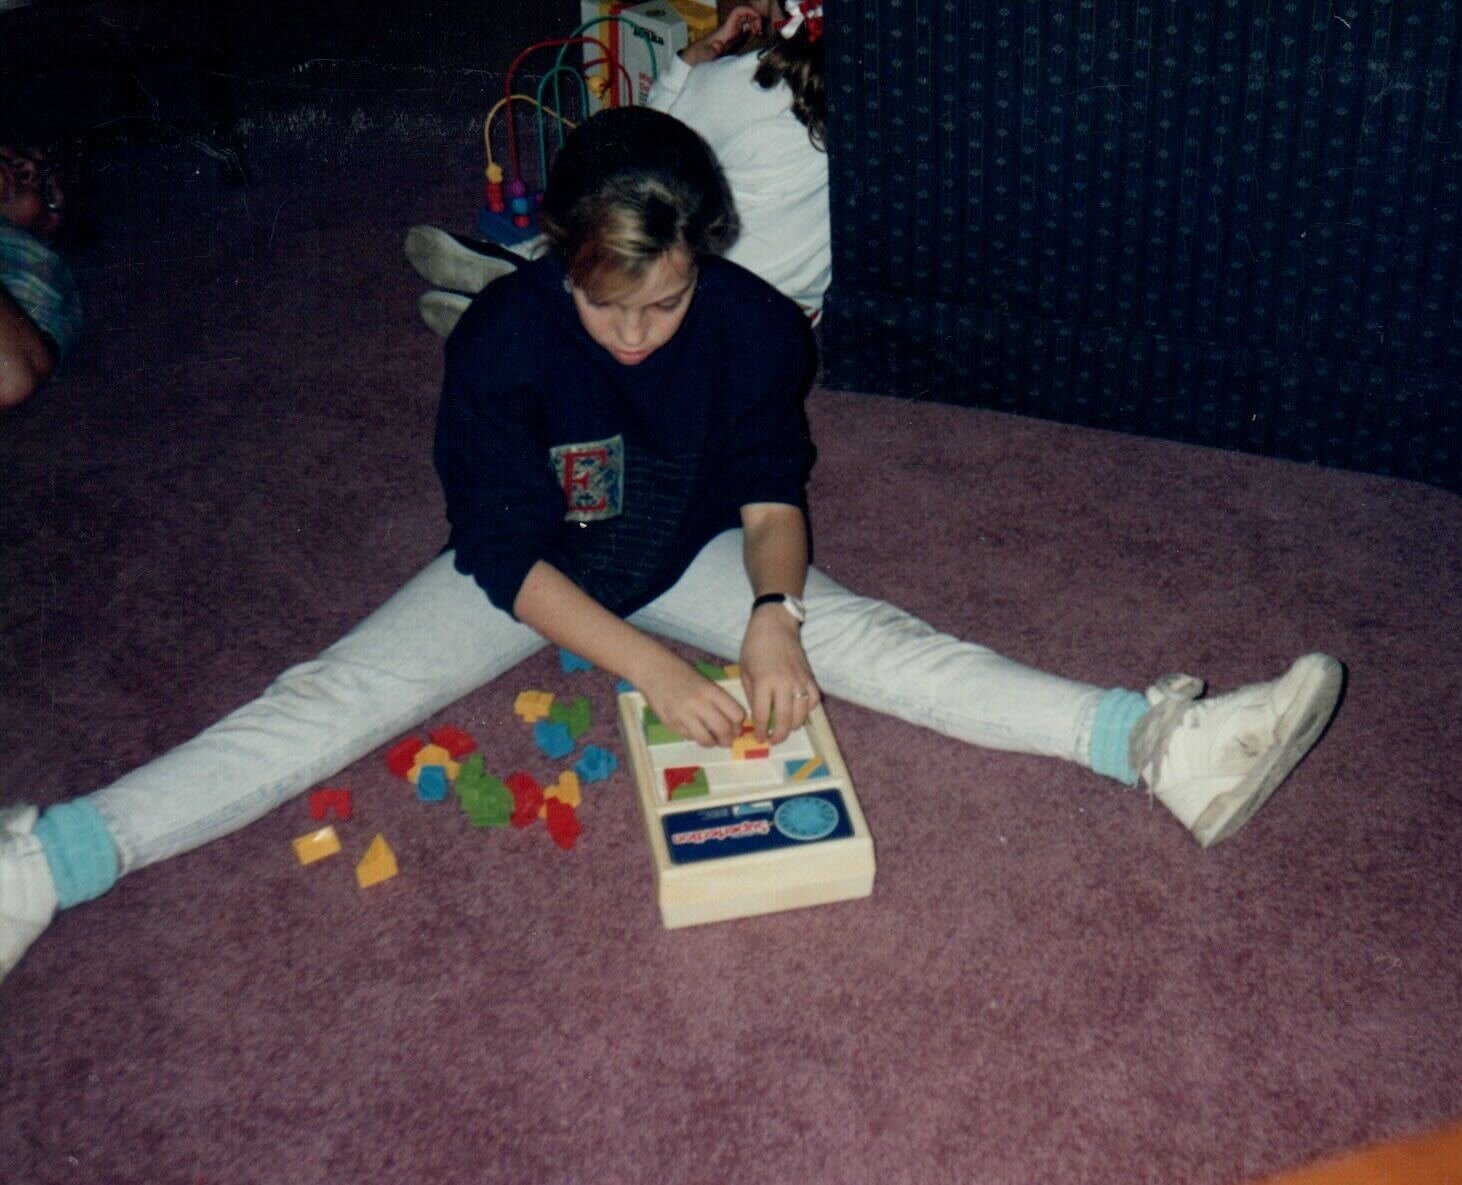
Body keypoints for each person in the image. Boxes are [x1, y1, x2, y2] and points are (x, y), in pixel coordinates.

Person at [0, 108, 1344, 986]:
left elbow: (768, 481)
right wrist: (646, 664)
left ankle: (1155, 742)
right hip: (536, 575)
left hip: (690, 545)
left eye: (666, 300)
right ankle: (44, 859)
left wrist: (771, 611)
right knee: (334, 697)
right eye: (610, 308)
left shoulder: (754, 324)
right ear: (555, 259)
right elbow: (499, 549)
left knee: (873, 644)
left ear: (703, 256)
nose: (639, 335)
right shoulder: (503, 341)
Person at [406, 0, 829, 336]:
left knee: (621, 198)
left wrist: (688, 63)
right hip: (790, 313)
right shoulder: (856, 88)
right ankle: (525, 264)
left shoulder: (744, 82)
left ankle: (526, 297)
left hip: (690, 296)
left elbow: (644, 143)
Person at [0, 143, 82, 409]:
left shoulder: (34, 258)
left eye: (47, 190)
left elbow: (11, 378)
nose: (29, 167)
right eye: (19, 153)